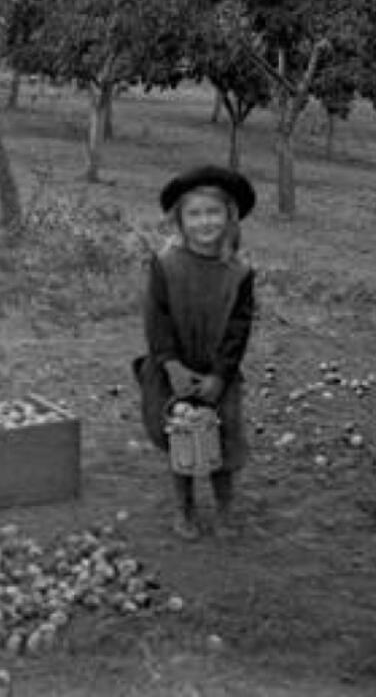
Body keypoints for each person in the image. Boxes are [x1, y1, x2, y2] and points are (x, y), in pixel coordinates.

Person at [133, 164, 257, 541]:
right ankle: (183, 509)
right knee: (181, 435)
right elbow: (157, 318)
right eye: (195, 214)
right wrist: (171, 365)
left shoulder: (238, 272)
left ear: (230, 217)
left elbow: (239, 328)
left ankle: (224, 510)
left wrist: (221, 374)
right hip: (175, 366)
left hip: (218, 370)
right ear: (180, 221)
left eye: (214, 212)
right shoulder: (166, 265)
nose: (205, 222)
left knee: (224, 436)